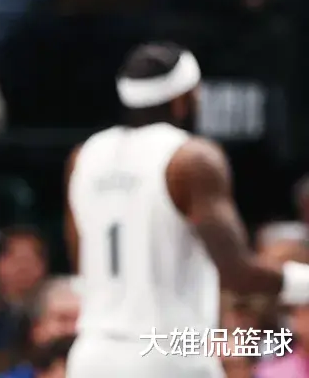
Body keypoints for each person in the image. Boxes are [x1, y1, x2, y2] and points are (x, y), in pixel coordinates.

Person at [64, 42, 309, 378]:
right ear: (183, 99)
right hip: (167, 353)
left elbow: (81, 260)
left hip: (91, 354)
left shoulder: (84, 156)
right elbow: (238, 274)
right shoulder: (191, 159)